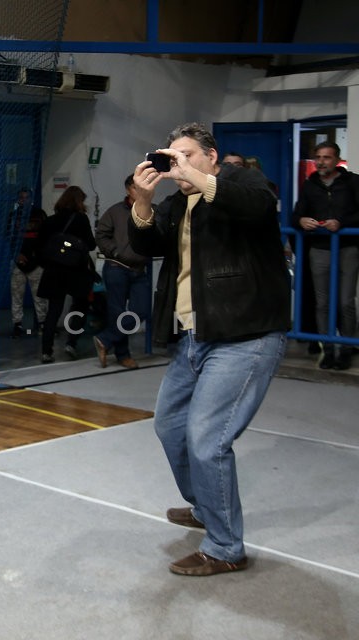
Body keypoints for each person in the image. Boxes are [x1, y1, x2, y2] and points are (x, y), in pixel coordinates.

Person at [129, 122, 289, 576]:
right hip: (195, 337)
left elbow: (257, 207)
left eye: (187, 154)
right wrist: (142, 201)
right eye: (170, 155)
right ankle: (204, 506)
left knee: (206, 439)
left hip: (245, 336)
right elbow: (147, 245)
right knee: (169, 425)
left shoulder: (241, 181)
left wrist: (194, 177)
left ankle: (223, 547)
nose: (177, 163)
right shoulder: (179, 203)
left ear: (212, 157)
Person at [294, 142, 359, 370]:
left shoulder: (352, 182)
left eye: (327, 157)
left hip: (347, 248)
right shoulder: (310, 185)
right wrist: (301, 221)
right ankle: (328, 348)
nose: (321, 161)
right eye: (318, 157)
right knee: (322, 303)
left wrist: (342, 224)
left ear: (337, 159)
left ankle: (347, 348)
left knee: (345, 302)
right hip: (319, 249)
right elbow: (297, 214)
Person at [92, 174, 150, 369]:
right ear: (128, 189)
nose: (140, 190)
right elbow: (101, 235)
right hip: (117, 268)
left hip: (140, 270)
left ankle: (104, 339)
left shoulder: (152, 211)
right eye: (136, 187)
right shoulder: (115, 211)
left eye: (144, 186)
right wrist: (115, 251)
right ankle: (123, 355)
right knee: (117, 314)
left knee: (141, 310)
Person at [36, 186, 97, 363]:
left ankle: (46, 351)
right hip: (76, 271)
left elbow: (40, 247)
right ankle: (71, 343)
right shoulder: (81, 219)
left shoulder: (50, 221)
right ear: (79, 201)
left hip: (54, 271)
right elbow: (91, 245)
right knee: (80, 306)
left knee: (53, 311)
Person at [8, 187, 47, 338]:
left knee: (40, 296)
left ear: (31, 199)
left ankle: (42, 323)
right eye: (21, 198)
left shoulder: (40, 215)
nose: (24, 200)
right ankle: (17, 324)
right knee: (16, 295)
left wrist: (37, 258)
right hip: (18, 263)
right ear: (18, 200)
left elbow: (45, 239)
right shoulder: (13, 216)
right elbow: (9, 238)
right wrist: (16, 255)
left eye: (27, 197)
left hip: (37, 263)